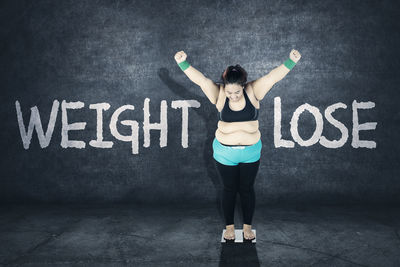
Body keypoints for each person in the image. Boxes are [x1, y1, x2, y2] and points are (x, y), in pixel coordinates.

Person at [174, 49, 301, 241]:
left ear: (243, 86)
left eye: (236, 92)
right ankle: (230, 227)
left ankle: (248, 227)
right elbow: (201, 80)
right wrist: (183, 64)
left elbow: (273, 77)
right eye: (229, 92)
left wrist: (290, 61)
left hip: (251, 152)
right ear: (224, 87)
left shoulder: (253, 90)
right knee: (229, 189)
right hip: (225, 153)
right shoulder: (219, 94)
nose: (232, 96)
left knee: (247, 189)